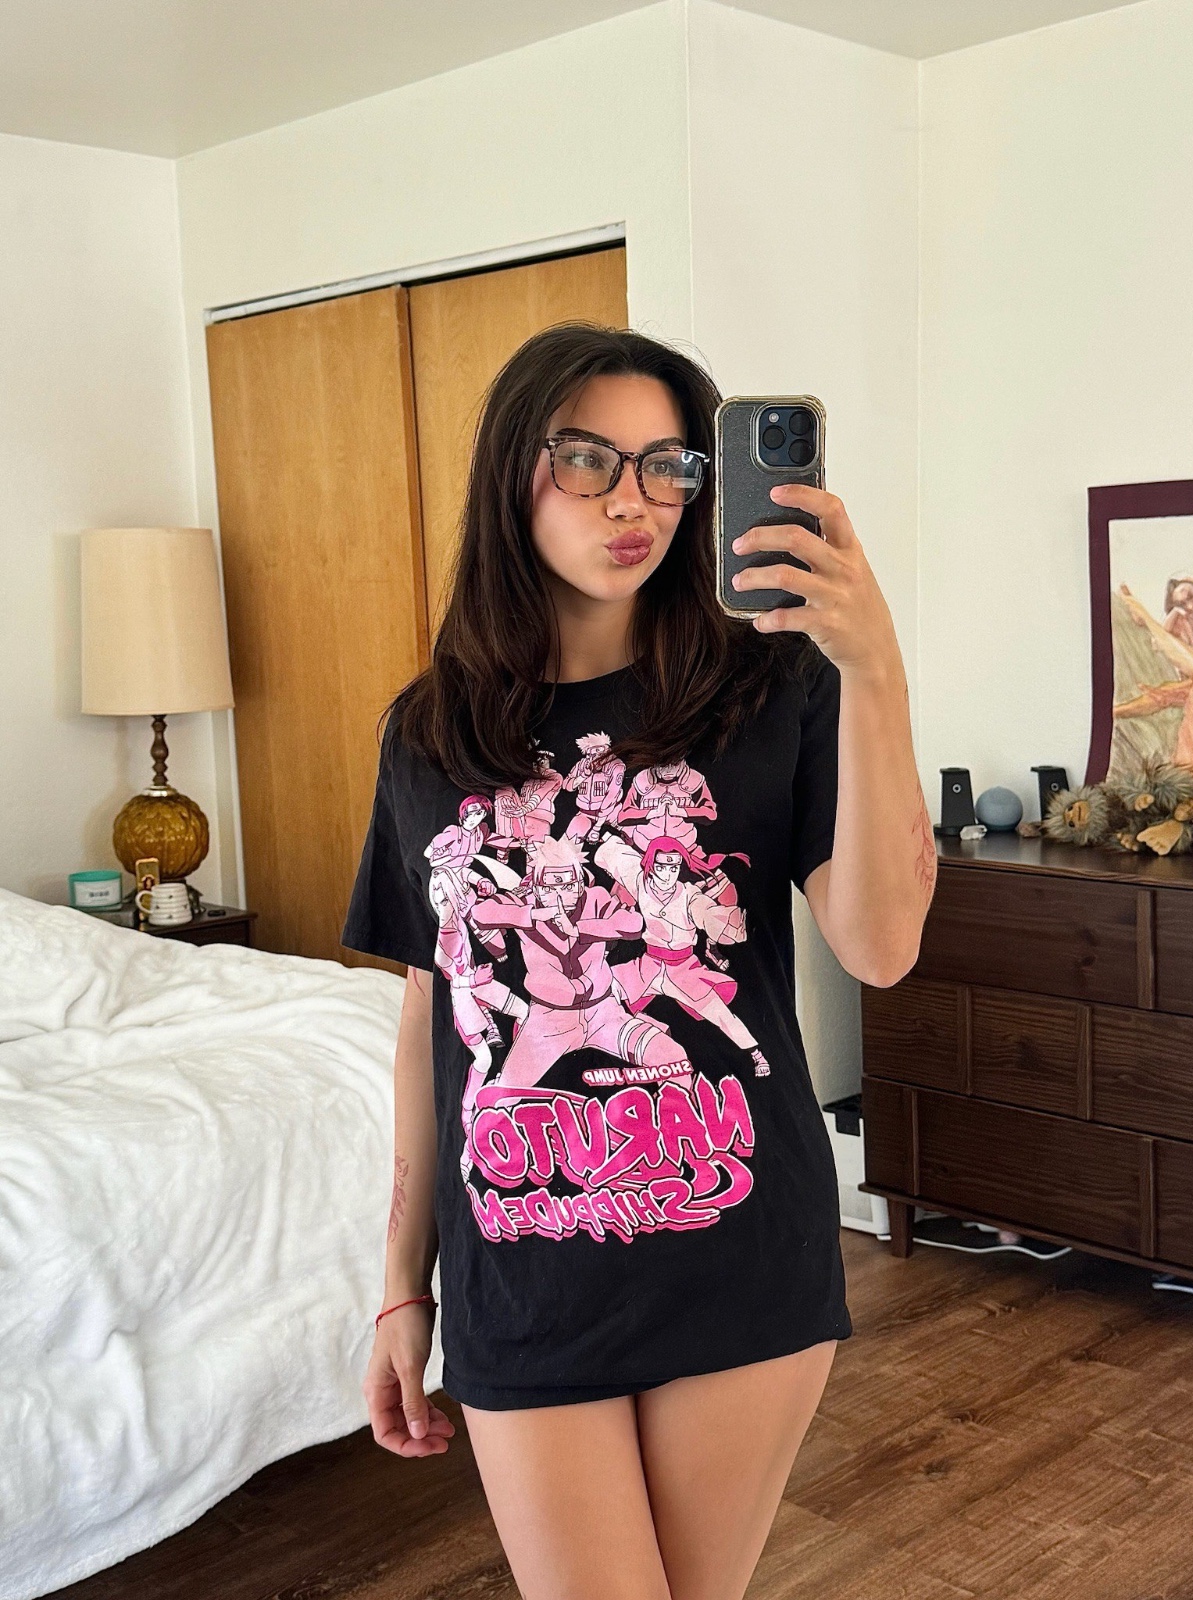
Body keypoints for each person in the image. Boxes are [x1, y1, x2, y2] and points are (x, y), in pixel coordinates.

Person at [342, 322, 935, 1600]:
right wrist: (400, 1286)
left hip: (738, 1252)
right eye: (588, 459)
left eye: (669, 465)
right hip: (522, 1269)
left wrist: (874, 664)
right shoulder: (429, 732)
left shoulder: (776, 689)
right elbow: (432, 1024)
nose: (635, 501)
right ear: (514, 470)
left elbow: (883, 948)